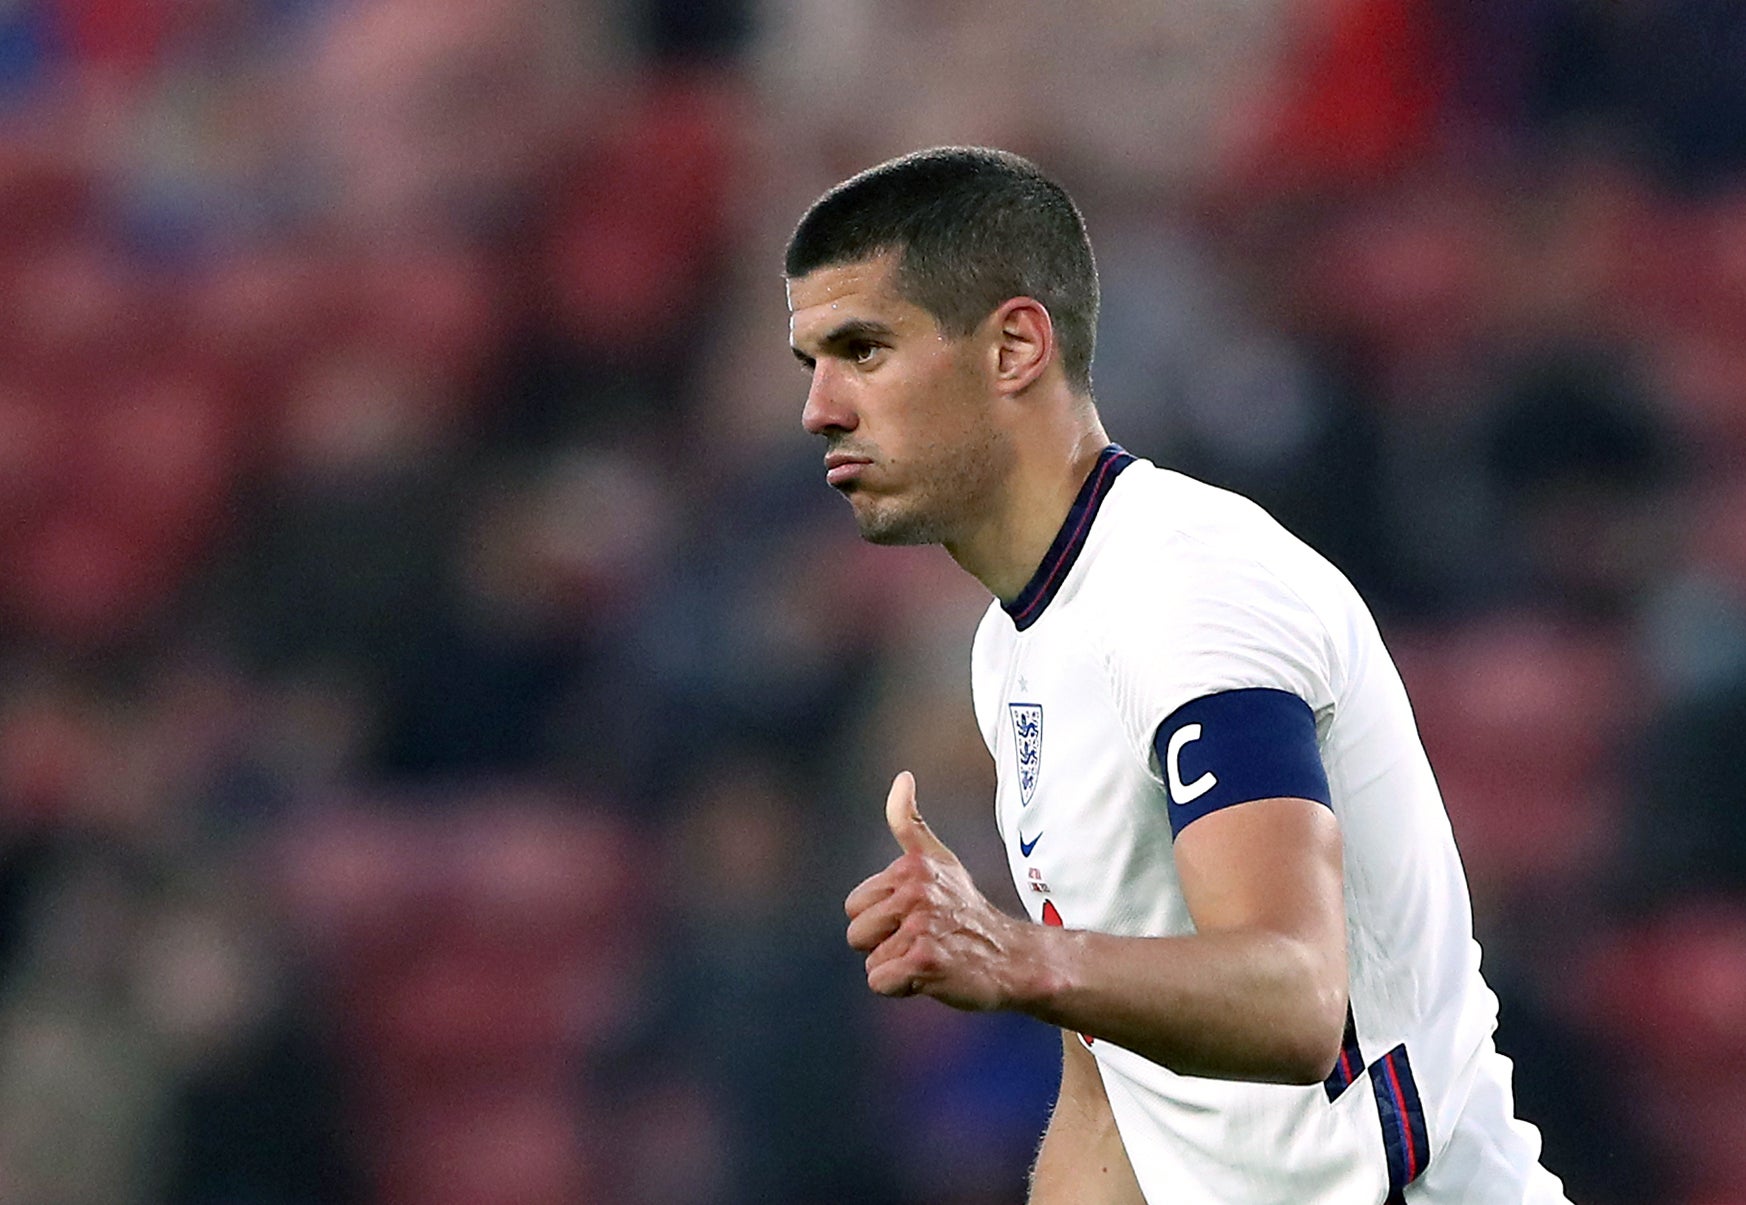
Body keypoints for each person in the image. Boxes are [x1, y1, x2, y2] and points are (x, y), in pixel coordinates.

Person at [785, 146, 1572, 1205]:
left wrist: (1014, 957)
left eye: (863, 349)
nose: (820, 409)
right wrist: (1037, 969)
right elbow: (1110, 1082)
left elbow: (1295, 994)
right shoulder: (1012, 645)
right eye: (811, 363)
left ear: (1016, 344)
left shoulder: (1187, 591)